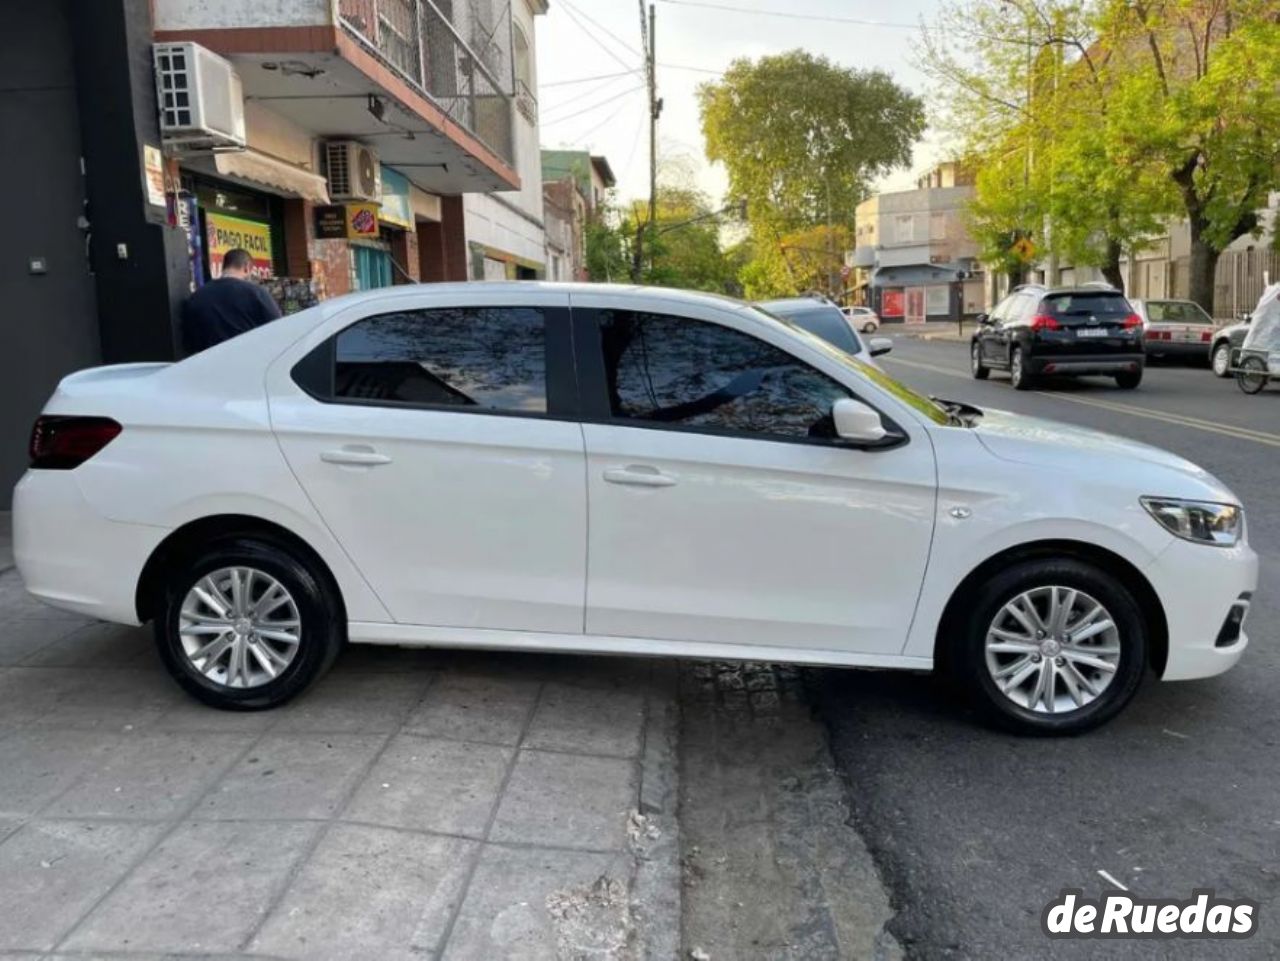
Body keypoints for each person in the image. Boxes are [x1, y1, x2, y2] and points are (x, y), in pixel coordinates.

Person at [181, 248, 283, 355]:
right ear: (247, 267)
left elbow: (190, 342)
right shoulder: (256, 293)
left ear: (223, 267)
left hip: (211, 365)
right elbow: (277, 329)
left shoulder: (197, 297)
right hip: (250, 361)